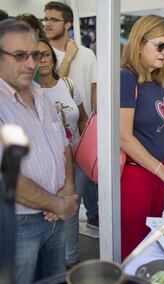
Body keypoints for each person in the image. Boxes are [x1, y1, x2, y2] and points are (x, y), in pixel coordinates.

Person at [0, 19, 77, 283]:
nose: (31, 63)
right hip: (20, 224)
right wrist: (59, 204)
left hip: (55, 217)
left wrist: (67, 189)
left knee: (55, 279)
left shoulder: (42, 96)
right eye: (20, 55)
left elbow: (63, 148)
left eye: (34, 54)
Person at [120, 15, 164, 259]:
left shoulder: (157, 77)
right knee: (134, 249)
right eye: (159, 45)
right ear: (139, 44)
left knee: (152, 245)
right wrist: (163, 172)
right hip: (136, 176)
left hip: (160, 173)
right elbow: (123, 137)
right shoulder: (126, 78)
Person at [44, 1, 99, 231]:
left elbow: (95, 92)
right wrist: (66, 59)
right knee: (68, 197)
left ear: (68, 24)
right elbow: (51, 88)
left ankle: (95, 217)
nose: (47, 23)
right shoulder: (42, 55)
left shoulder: (86, 54)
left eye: (53, 19)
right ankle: (69, 255)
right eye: (45, 19)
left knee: (91, 183)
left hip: (84, 132)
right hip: (55, 138)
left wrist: (97, 127)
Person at [37, 38, 89, 267]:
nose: (42, 60)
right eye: (36, 55)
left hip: (76, 158)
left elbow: (83, 118)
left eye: (46, 54)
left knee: (72, 207)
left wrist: (88, 151)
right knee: (48, 211)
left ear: (52, 58)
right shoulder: (31, 91)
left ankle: (71, 258)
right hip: (47, 163)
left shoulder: (68, 85)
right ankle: (50, 261)